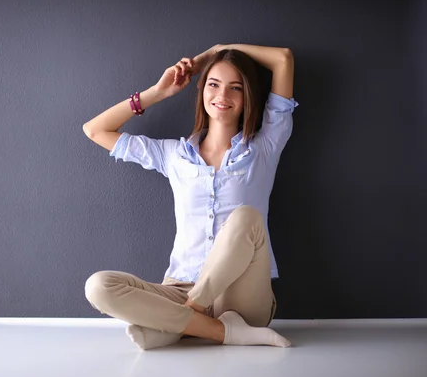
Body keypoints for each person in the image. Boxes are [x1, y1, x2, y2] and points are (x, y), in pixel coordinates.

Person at [82, 43, 299, 350]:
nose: (222, 96)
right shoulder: (174, 156)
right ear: (201, 90)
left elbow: (283, 59)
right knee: (99, 287)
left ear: (247, 96)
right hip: (180, 286)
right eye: (213, 84)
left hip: (242, 295)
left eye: (235, 88)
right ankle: (219, 331)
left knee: (246, 217)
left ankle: (180, 322)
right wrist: (159, 92)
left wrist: (216, 51)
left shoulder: (265, 146)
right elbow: (95, 130)